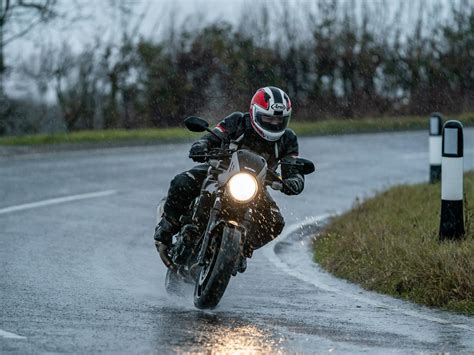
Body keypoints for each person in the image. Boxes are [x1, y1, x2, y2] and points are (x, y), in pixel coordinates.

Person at [154, 86, 305, 268]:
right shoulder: (238, 121)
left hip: (254, 187)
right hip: (219, 171)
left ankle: (242, 248)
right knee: (182, 182)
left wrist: (294, 182)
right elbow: (215, 136)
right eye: (268, 118)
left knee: (275, 222)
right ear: (255, 113)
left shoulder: (288, 139)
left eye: (279, 120)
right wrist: (202, 145)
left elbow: (293, 167)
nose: (273, 123)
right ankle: (166, 228)